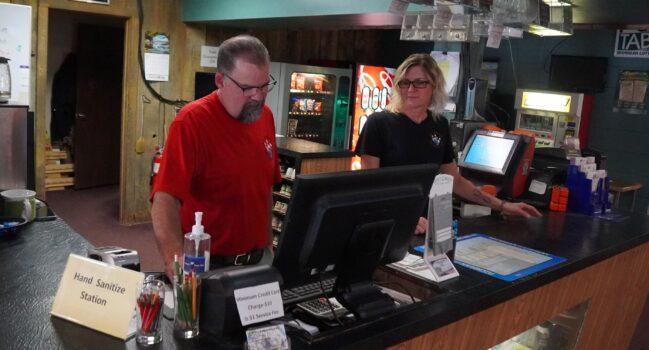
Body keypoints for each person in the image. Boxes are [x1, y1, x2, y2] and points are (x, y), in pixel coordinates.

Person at [355, 53, 541, 234]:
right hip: (388, 225)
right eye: (405, 83)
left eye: (420, 83)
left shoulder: (439, 124)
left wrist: (503, 206)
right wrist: (405, 217)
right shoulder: (378, 123)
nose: (411, 89)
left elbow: (455, 181)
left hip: (426, 226)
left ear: (434, 86)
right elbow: (370, 188)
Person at [150, 35, 281, 279]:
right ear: (220, 80)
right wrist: (176, 264)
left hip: (259, 261)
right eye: (247, 88)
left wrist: (268, 248)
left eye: (264, 86)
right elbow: (164, 201)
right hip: (210, 267)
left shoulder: (266, 117)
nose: (258, 96)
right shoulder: (191, 122)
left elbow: (264, 189)